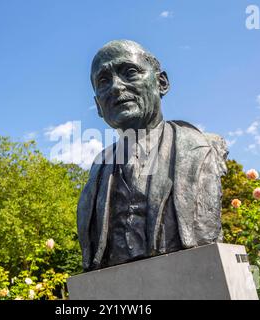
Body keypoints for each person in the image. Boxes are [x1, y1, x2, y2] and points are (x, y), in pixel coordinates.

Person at [77, 40, 228, 271]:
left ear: (161, 82)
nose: (116, 87)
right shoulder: (98, 170)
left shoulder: (200, 148)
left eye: (129, 72)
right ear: (98, 105)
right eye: (104, 81)